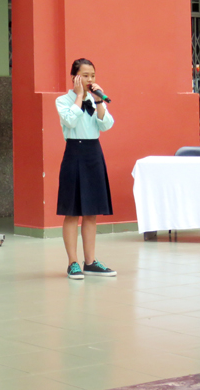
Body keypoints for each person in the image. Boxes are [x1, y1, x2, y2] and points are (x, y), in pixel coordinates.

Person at [55, 58, 116, 280]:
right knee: (72, 212)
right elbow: (70, 122)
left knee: (91, 212)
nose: (90, 79)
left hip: (93, 153)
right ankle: (72, 262)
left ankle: (90, 262)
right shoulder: (63, 100)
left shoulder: (96, 99)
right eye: (85, 75)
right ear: (75, 77)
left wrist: (98, 101)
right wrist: (79, 96)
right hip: (74, 152)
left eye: (93, 75)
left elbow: (106, 125)